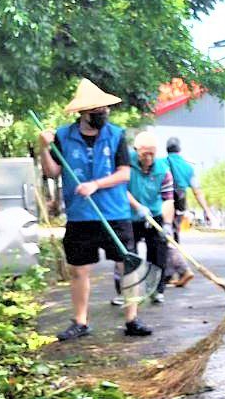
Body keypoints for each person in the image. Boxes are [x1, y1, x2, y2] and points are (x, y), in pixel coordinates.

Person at [37, 78, 153, 340]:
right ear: (83, 114)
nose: (103, 114)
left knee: (128, 265)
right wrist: (43, 147)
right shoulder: (63, 137)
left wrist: (95, 185)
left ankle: (132, 319)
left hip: (115, 213)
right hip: (80, 215)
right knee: (79, 270)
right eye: (97, 111)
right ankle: (80, 322)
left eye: (105, 109)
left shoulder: (116, 135)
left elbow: (124, 174)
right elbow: (51, 171)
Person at [126, 131, 175, 305]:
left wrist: (167, 224)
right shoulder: (125, 163)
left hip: (154, 214)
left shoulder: (163, 169)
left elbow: (168, 198)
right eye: (144, 153)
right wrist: (138, 207)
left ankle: (156, 289)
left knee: (159, 250)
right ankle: (129, 291)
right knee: (128, 254)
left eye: (152, 153)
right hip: (130, 214)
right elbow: (121, 190)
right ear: (136, 150)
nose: (148, 157)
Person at [163, 136, 213, 288]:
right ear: (180, 150)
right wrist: (207, 211)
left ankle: (177, 271)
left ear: (167, 149)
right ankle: (171, 273)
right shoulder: (188, 167)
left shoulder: (162, 163)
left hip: (165, 203)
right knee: (174, 237)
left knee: (165, 238)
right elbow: (197, 191)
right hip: (180, 203)